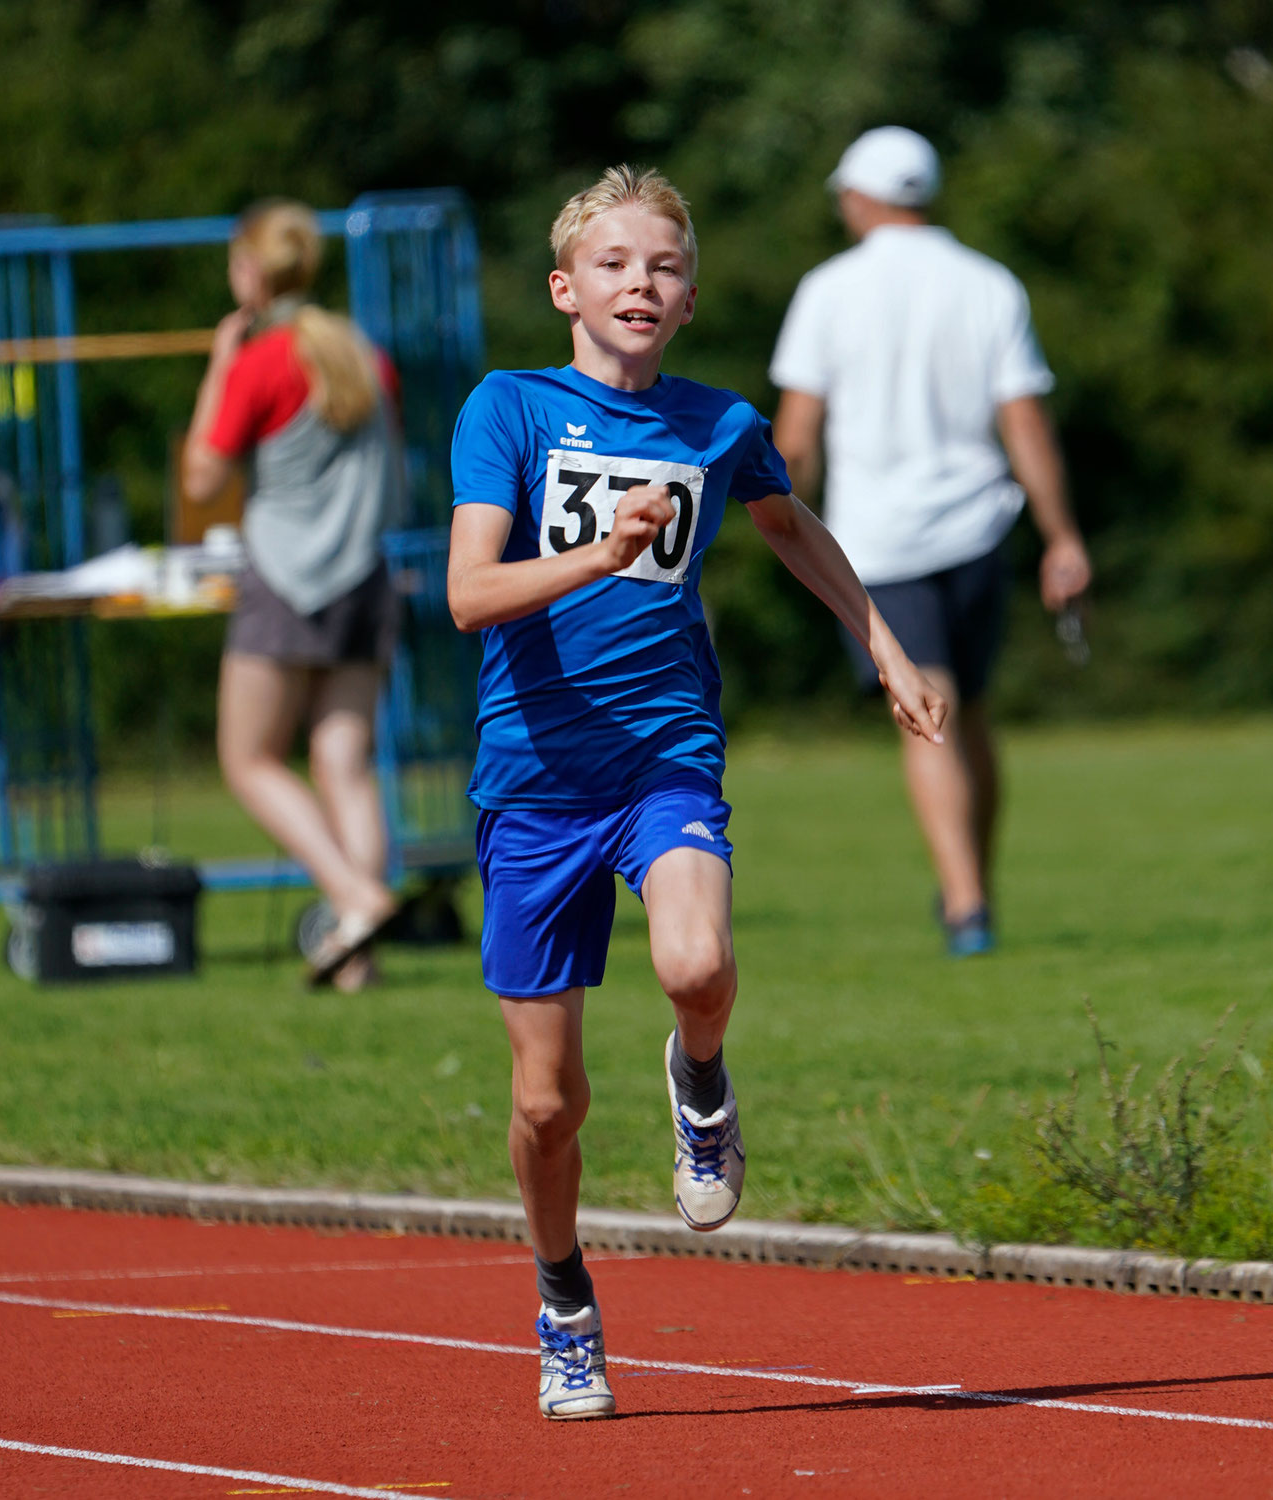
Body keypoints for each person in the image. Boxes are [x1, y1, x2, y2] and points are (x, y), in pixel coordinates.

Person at [448, 165, 947, 1419]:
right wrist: (595, 555)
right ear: (567, 288)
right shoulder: (507, 408)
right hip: (534, 783)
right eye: (615, 264)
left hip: (665, 757)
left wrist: (882, 641)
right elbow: (467, 597)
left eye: (664, 267)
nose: (640, 284)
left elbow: (791, 527)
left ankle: (703, 1083)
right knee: (545, 1100)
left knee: (695, 964)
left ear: (688, 299)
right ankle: (564, 1300)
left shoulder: (719, 425)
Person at [770, 127, 1092, 957]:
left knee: (927, 715)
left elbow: (796, 435)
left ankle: (964, 903)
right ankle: (973, 890)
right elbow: (1022, 418)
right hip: (979, 527)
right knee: (972, 713)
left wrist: (771, 517)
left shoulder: (828, 290)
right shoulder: (988, 283)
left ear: (861, 197)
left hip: (877, 538)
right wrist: (1061, 536)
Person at [183, 199, 406, 991]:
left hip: (284, 579)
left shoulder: (261, 359)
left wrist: (219, 362)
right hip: (365, 576)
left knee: (247, 760)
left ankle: (354, 897)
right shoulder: (362, 354)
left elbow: (203, 477)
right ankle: (358, 959)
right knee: (344, 762)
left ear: (250, 272)